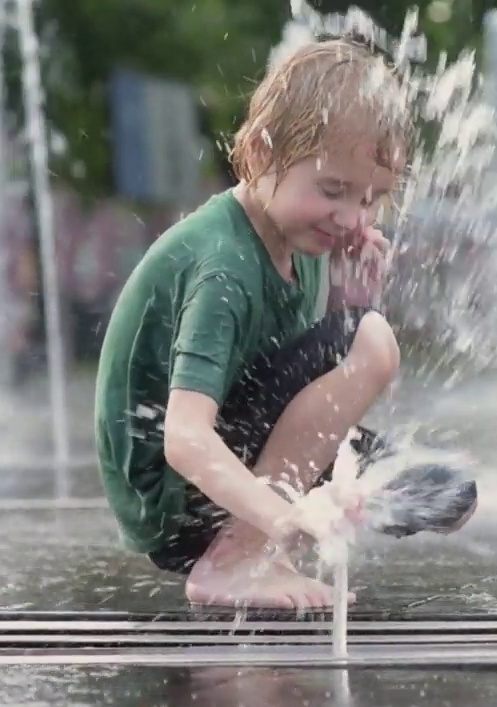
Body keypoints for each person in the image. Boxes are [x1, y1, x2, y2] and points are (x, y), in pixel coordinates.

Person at [94, 37, 477, 610]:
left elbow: (296, 371)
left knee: (443, 490)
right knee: (371, 341)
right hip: (174, 500)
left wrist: (352, 290)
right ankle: (237, 558)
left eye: (372, 200)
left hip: (224, 468)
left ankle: (267, 535)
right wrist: (286, 517)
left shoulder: (301, 239)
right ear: (262, 152)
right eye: (333, 191)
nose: (353, 217)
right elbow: (184, 438)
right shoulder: (223, 266)